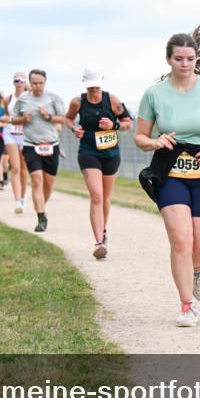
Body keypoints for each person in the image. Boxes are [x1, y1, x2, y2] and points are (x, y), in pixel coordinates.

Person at [135, 25, 200, 327]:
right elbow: (140, 137)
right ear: (168, 59)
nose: (185, 63)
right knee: (181, 239)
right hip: (170, 168)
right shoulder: (154, 93)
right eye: (179, 58)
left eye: (190, 58)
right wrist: (156, 141)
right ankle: (186, 305)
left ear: (196, 59)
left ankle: (195, 272)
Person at [64, 69, 133, 259]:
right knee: (96, 195)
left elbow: (128, 123)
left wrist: (114, 125)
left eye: (96, 85)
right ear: (84, 84)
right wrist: (74, 128)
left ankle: (103, 230)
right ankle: (99, 242)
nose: (94, 89)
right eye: (90, 86)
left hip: (111, 153)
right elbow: (68, 119)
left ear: (101, 82)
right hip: (88, 153)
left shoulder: (112, 100)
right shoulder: (77, 102)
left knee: (105, 197)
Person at [13, 69, 65, 232]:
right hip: (31, 145)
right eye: (34, 83)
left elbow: (64, 118)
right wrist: (23, 119)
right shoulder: (23, 99)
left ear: (45, 82)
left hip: (51, 144)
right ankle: (41, 217)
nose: (37, 86)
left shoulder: (53, 98)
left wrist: (49, 117)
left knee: (48, 184)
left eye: (40, 83)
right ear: (30, 83)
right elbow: (13, 119)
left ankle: (41, 204)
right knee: (36, 179)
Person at [3, 73, 29, 214]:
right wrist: (5, 118)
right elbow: (7, 115)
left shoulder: (30, 98)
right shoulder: (8, 99)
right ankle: (17, 201)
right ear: (13, 82)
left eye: (21, 80)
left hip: (25, 135)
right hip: (10, 134)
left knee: (24, 170)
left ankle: (24, 197)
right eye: (16, 80)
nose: (19, 82)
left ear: (25, 82)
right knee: (15, 168)